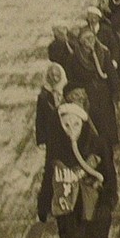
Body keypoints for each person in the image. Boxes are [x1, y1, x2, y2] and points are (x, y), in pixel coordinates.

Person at [41, 102, 117, 238]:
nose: (71, 130)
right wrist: (43, 202)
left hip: (94, 211)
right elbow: (49, 176)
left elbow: (110, 177)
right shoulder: (56, 148)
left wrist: (106, 203)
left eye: (76, 124)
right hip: (68, 211)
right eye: (66, 125)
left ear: (83, 123)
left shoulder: (98, 144)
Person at [35, 62, 68, 222]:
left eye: (57, 75)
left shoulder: (67, 92)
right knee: (50, 173)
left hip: (68, 137)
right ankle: (44, 208)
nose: (55, 78)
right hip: (53, 141)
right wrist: (41, 139)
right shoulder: (43, 97)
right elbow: (39, 119)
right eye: (51, 76)